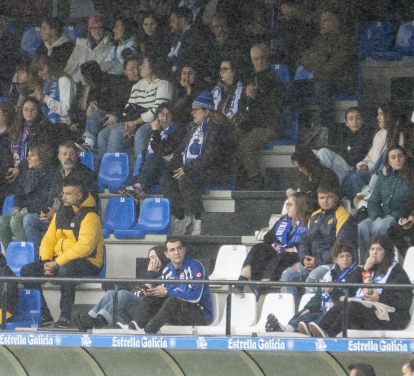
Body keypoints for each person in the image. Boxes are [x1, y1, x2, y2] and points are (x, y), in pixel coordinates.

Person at [19, 178, 104, 328]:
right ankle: (44, 315)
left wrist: (57, 263)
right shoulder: (60, 214)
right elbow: (48, 239)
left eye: (68, 194)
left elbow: (85, 248)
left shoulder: (91, 216)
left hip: (88, 261)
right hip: (59, 261)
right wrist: (46, 261)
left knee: (66, 270)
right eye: (63, 193)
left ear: (79, 195)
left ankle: (66, 316)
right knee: (27, 270)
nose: (63, 197)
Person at [306, 235, 412, 337]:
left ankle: (330, 334)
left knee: (353, 306)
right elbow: (348, 288)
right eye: (372, 249)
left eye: (379, 249)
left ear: (386, 252)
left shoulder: (396, 271)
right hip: (369, 311)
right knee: (344, 302)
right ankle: (320, 329)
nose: (374, 253)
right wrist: (364, 269)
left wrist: (379, 298)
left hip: (390, 317)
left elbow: (405, 300)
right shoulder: (368, 267)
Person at [161, 91, 231, 236]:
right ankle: (180, 217)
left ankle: (198, 219)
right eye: (192, 110)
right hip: (193, 169)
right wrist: (171, 168)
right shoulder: (193, 128)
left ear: (206, 111)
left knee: (185, 178)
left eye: (196, 110)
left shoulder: (215, 128)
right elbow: (180, 153)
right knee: (167, 178)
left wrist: (186, 168)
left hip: (213, 171)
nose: (192, 113)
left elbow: (210, 155)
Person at [133, 236, 211, 334]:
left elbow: (195, 297)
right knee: (150, 298)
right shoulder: (167, 269)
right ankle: (137, 328)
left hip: (198, 315)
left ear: (184, 250)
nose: (177, 252)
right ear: (167, 254)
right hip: (178, 313)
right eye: (172, 250)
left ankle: (149, 331)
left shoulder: (195, 266)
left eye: (179, 248)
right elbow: (162, 294)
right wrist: (151, 291)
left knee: (173, 300)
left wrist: (166, 292)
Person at [80, 245, 168, 330]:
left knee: (123, 294)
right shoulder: (149, 273)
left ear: (161, 257)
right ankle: (89, 318)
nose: (150, 261)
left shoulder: (164, 273)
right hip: (137, 305)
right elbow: (138, 287)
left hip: (148, 311)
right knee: (110, 293)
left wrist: (151, 274)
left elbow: (147, 291)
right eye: (149, 258)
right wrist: (142, 285)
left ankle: (100, 321)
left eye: (153, 257)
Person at [0, 142, 60, 248]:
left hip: (37, 212)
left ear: (42, 157)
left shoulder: (50, 174)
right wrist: (16, 209)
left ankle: (27, 254)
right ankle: (9, 256)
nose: (28, 159)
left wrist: (24, 211)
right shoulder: (26, 173)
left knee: (16, 222)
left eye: (32, 155)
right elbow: (18, 195)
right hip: (23, 211)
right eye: (28, 155)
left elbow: (44, 200)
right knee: (1, 221)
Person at [242, 191, 311, 288]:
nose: (287, 207)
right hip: (278, 252)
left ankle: (263, 284)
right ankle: (243, 277)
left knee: (282, 256)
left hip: (295, 256)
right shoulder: (283, 221)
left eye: (290, 205)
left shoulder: (310, 224)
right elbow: (268, 238)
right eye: (287, 204)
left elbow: (310, 244)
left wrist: (293, 249)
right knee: (259, 248)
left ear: (300, 206)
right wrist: (277, 245)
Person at [356, 146, 411, 258]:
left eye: (400, 156)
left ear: (405, 158)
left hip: (397, 217)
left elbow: (410, 202)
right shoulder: (384, 177)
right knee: (362, 226)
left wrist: (395, 217)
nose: (397, 160)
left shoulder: (411, 177)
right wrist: (377, 216)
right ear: (388, 162)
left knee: (379, 226)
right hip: (382, 215)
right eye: (393, 157)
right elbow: (373, 201)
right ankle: (365, 262)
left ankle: (381, 263)